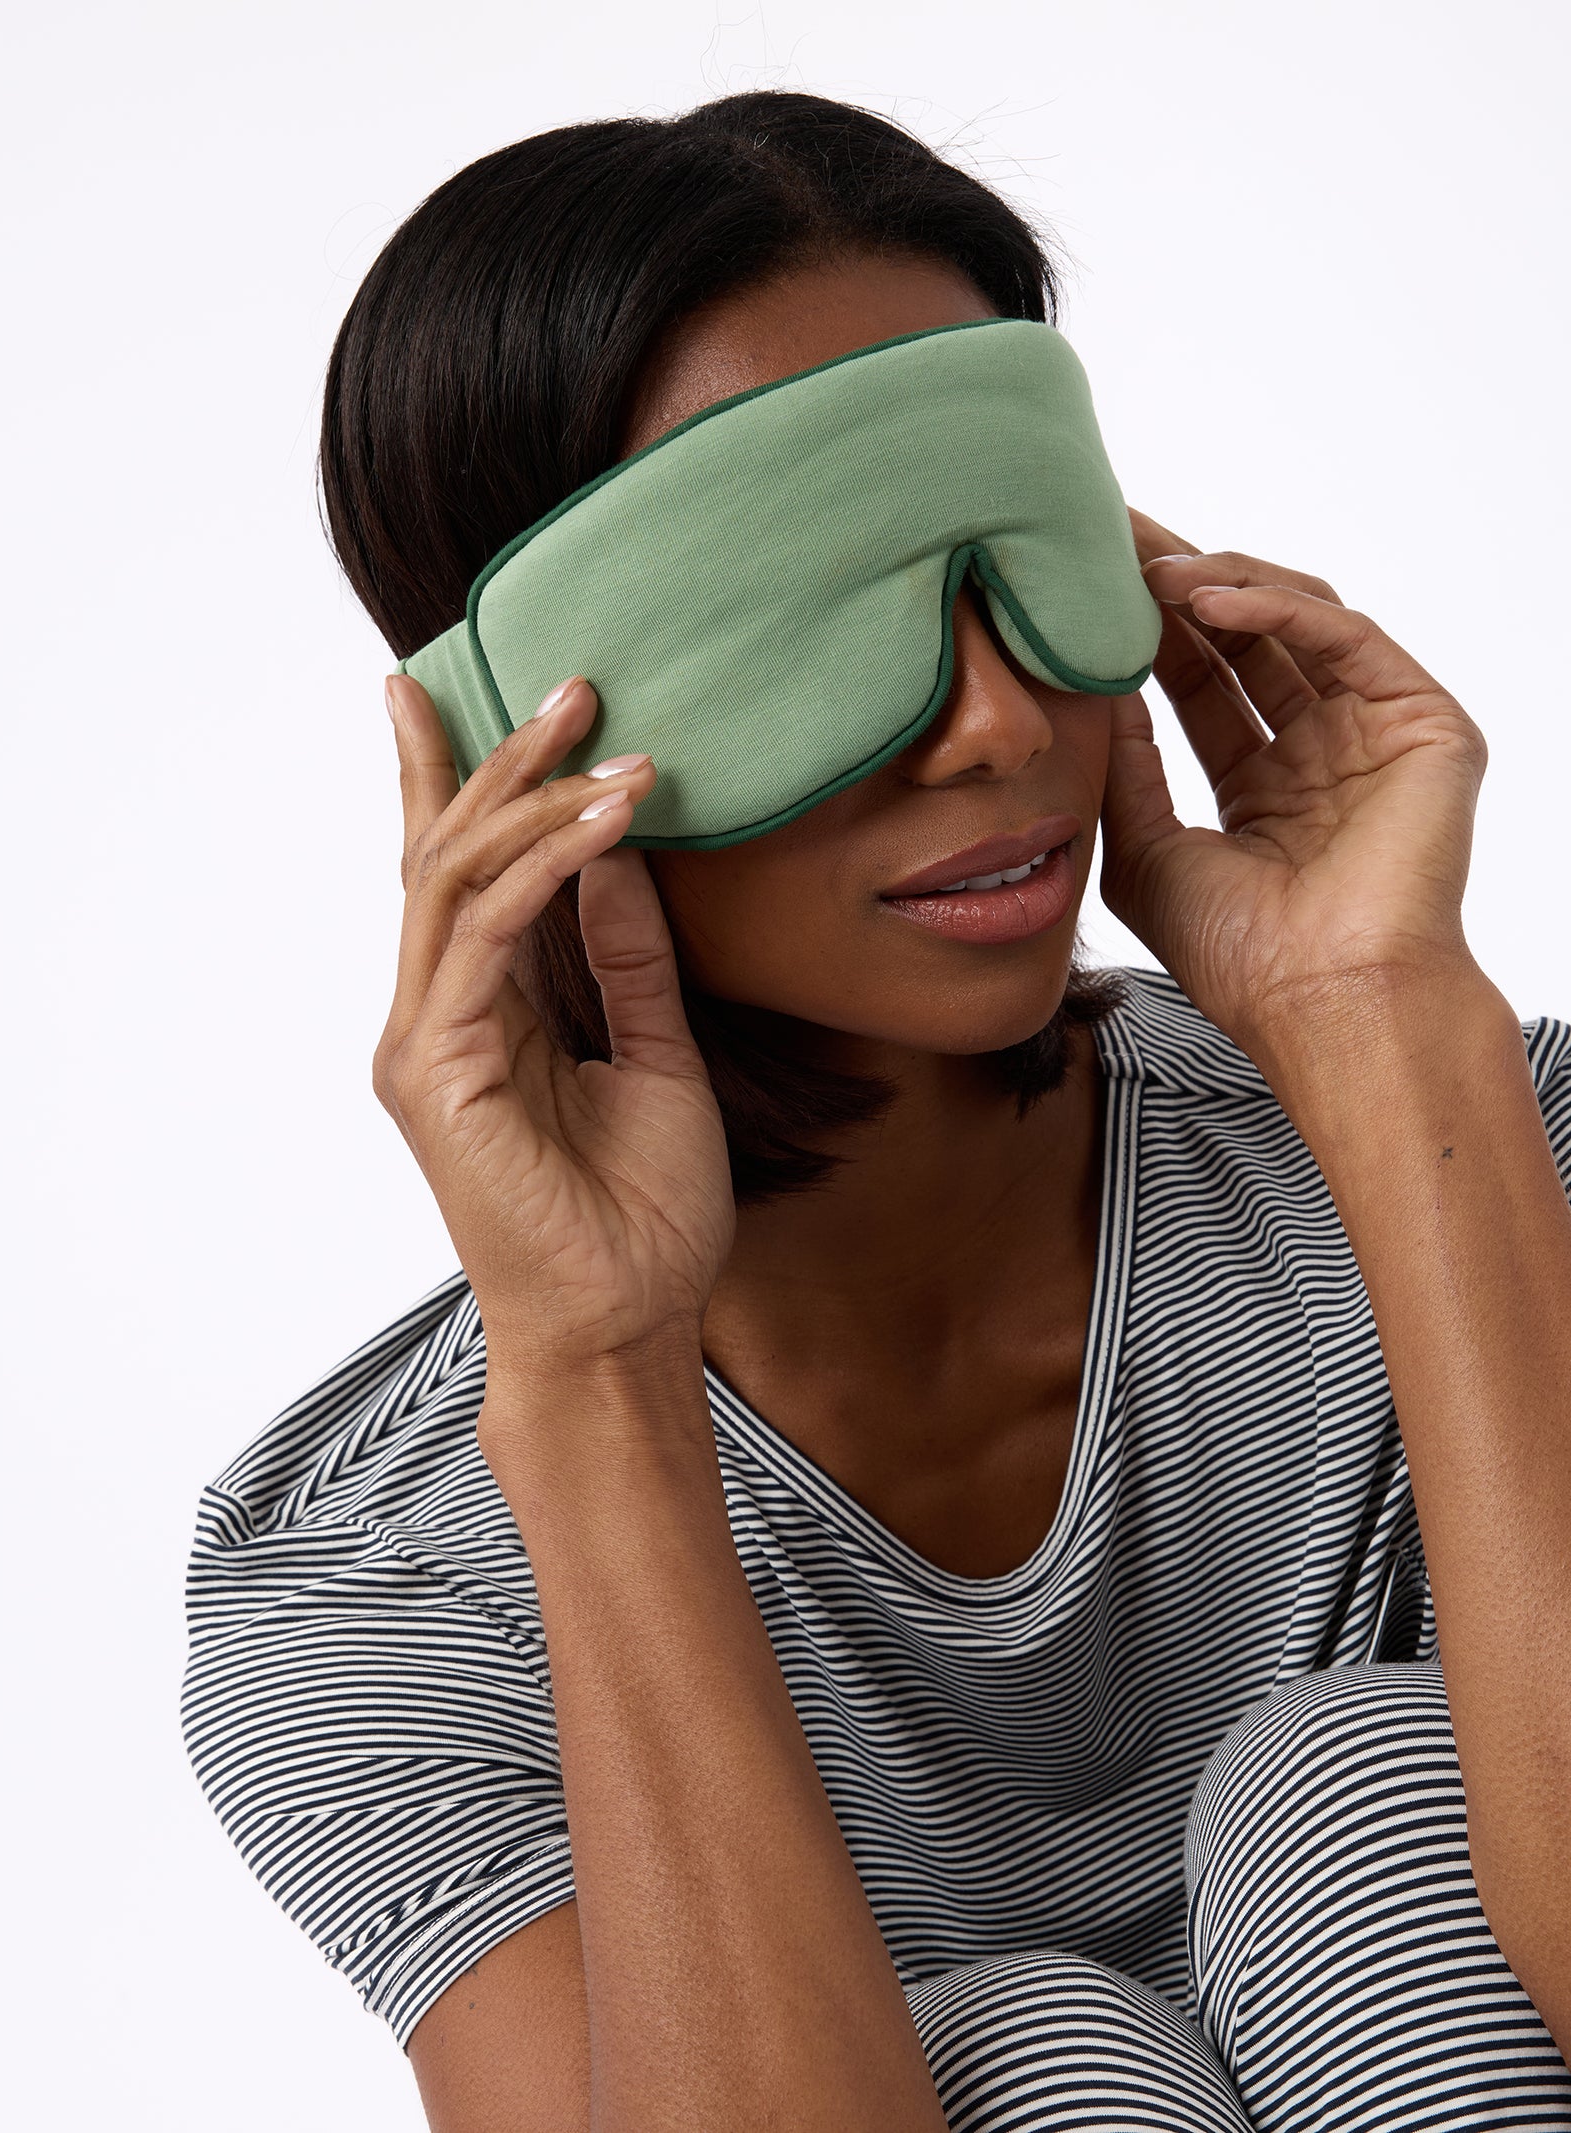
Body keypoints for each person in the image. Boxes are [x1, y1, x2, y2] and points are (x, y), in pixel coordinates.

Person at [180, 89, 1571, 2132]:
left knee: (1342, 1803)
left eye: (1012, 561)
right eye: (794, 617)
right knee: (1025, 2050)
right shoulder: (375, 1589)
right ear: (502, 748)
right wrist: (593, 1387)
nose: (997, 719)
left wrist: (1396, 1039)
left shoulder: (1493, 1151)